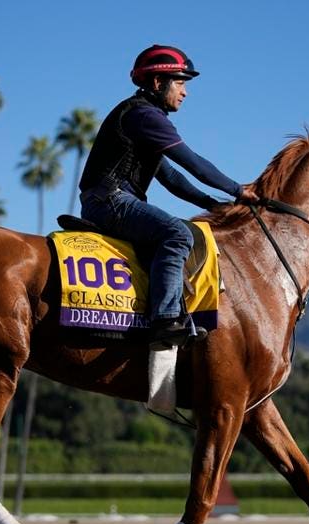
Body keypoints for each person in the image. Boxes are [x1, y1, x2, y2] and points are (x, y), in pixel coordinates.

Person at [79, 44, 258, 350]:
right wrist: (238, 190)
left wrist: (212, 205)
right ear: (158, 83)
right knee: (177, 233)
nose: (185, 92)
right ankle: (165, 320)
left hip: (110, 199)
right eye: (180, 82)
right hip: (109, 200)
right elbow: (193, 163)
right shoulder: (144, 116)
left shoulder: (143, 117)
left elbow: (172, 178)